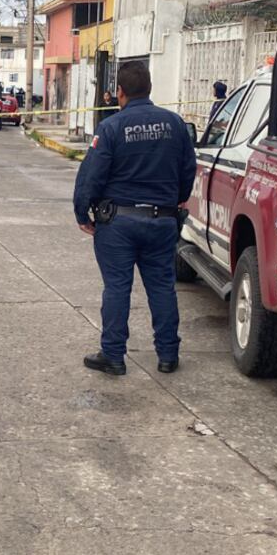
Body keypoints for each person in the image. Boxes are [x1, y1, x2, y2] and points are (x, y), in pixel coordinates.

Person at [73, 62, 196, 377]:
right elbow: (188, 170)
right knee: (162, 288)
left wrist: (81, 211)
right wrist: (175, 199)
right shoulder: (175, 124)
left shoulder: (112, 127)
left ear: (120, 93)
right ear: (150, 88)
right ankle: (168, 355)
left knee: (117, 287)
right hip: (163, 220)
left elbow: (92, 175)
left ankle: (113, 356)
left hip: (119, 224)